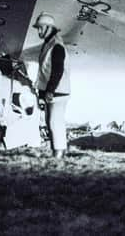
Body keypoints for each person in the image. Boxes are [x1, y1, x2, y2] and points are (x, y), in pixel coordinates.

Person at [33, 12, 70, 159]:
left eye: (41, 28)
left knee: (55, 122)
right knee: (51, 122)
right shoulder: (49, 44)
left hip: (57, 92)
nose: (39, 31)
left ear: (49, 28)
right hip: (53, 91)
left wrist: (50, 91)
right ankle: (58, 151)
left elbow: (57, 71)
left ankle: (59, 153)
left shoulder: (56, 46)